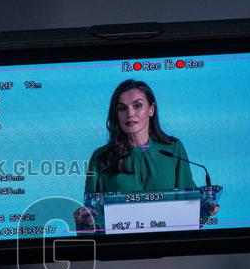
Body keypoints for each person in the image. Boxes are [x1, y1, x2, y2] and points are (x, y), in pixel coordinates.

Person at [74, 79, 216, 229]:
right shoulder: (101, 159)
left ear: (151, 109)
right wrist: (84, 221)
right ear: (116, 114)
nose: (130, 113)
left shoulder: (173, 149)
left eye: (137, 106)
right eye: (122, 108)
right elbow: (91, 222)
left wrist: (206, 209)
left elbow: (191, 210)